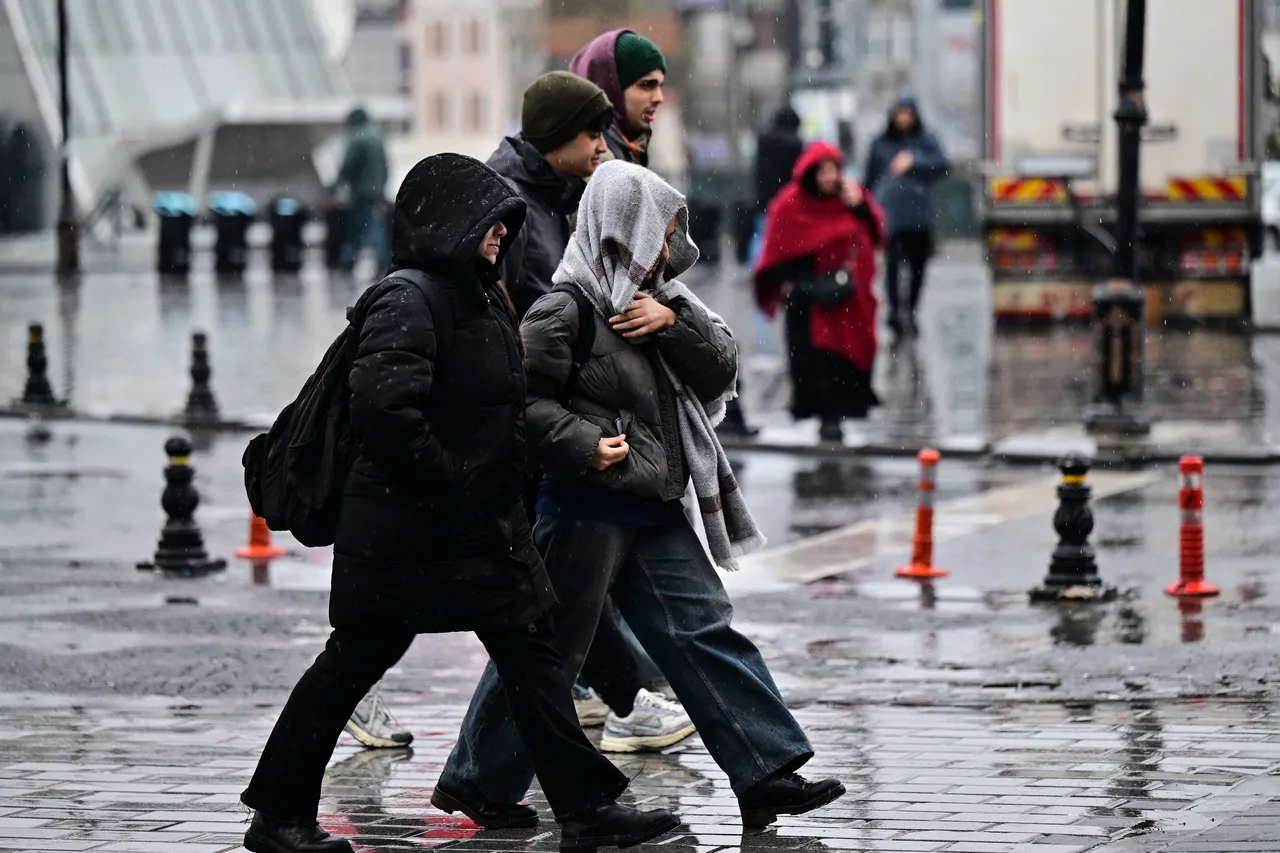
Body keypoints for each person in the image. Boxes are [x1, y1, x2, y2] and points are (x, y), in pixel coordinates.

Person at [238, 153, 678, 853]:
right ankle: (278, 813)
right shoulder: (407, 298)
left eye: (506, 221)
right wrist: (455, 478)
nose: (502, 234)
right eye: (490, 221)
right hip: (405, 534)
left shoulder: (476, 294)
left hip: (474, 529)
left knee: (533, 659)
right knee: (349, 666)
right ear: (448, 219)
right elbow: (384, 412)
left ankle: (588, 807)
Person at [440, 159, 846, 829]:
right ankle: (477, 778)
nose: (666, 245)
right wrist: (580, 443)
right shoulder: (563, 307)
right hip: (583, 508)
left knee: (703, 628)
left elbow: (721, 363)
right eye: (657, 230)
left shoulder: (665, 301)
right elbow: (519, 405)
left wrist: (669, 323)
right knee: (549, 649)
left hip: (655, 506)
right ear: (619, 229)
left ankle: (764, 770)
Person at [487, 71, 696, 749]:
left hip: (547, 423)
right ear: (556, 140)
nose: (604, 144)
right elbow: (516, 317)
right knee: (519, 592)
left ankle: (617, 706)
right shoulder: (512, 203)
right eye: (590, 133)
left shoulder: (559, 195)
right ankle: (490, 756)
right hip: (522, 420)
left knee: (551, 590)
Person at [754, 141, 886, 445]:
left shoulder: (851, 197)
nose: (829, 177)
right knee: (814, 362)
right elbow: (775, 252)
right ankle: (826, 417)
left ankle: (838, 415)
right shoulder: (789, 204)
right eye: (822, 170)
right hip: (806, 303)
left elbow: (877, 234)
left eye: (834, 169)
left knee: (844, 357)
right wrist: (793, 282)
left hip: (848, 301)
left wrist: (861, 207)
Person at [863, 93, 947, 338]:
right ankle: (894, 311)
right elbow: (870, 179)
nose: (903, 118)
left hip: (919, 216)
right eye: (899, 113)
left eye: (907, 113)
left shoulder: (926, 142)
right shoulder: (880, 144)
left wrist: (914, 163)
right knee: (891, 266)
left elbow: (941, 165)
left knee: (918, 267)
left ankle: (910, 309)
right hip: (890, 217)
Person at [570, 30, 666, 167]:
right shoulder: (594, 164)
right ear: (607, 87)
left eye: (660, 86)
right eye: (646, 85)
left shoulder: (630, 149)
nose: (659, 98)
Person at [329, 107, 392, 273]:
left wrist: (335, 188)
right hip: (375, 190)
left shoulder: (357, 138)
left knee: (363, 228)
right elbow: (385, 166)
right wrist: (382, 187)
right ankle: (379, 263)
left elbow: (348, 167)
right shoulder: (377, 136)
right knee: (371, 227)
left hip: (362, 191)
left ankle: (350, 263)